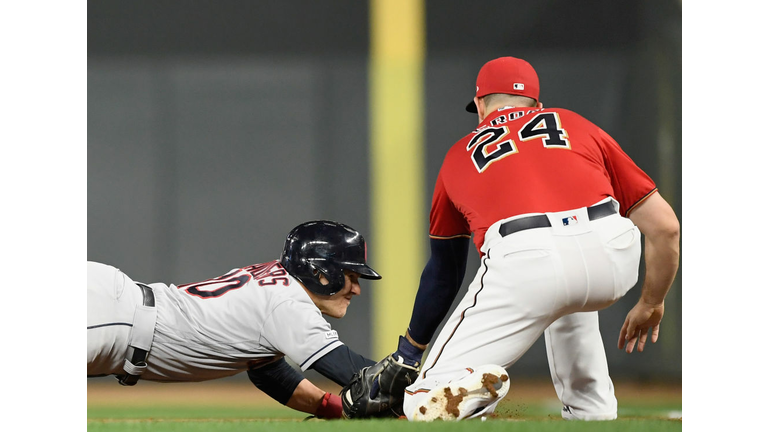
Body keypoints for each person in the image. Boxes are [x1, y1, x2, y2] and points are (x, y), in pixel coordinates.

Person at [341, 56, 680, 421]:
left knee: (422, 402)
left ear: (482, 106)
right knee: (569, 304)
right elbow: (666, 227)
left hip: (527, 259)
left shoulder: (459, 153)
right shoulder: (576, 124)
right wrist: (651, 302)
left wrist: (411, 349)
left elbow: (445, 273)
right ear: (537, 105)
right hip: (612, 249)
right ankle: (592, 412)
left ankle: (479, 386)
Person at [88, 220, 393, 419]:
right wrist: (420, 398)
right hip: (112, 319)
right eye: (351, 276)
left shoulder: (278, 284)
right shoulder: (289, 303)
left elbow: (269, 373)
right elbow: (358, 374)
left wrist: (333, 409)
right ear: (320, 272)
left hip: (113, 311)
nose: (357, 288)